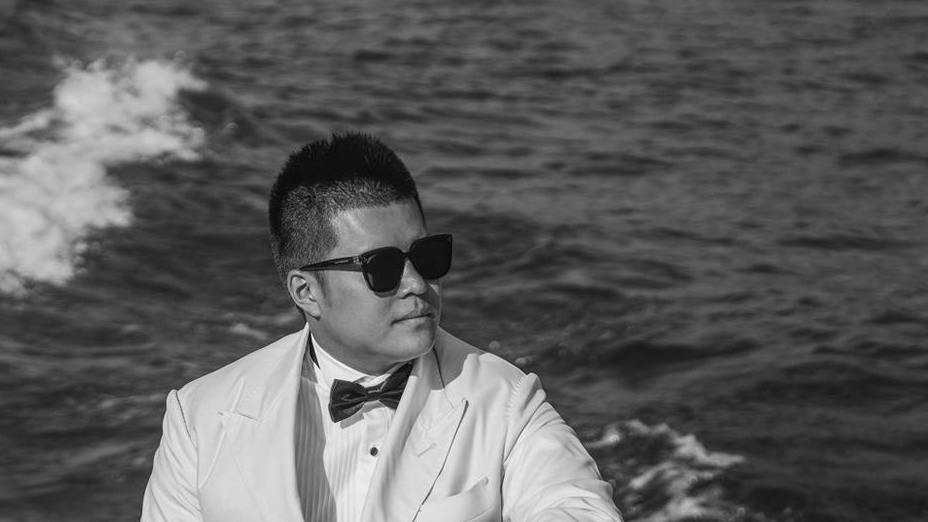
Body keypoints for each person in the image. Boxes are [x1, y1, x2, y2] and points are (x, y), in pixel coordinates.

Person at [141, 132, 619, 522]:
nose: (417, 284)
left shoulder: (506, 400)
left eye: (427, 256)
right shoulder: (199, 417)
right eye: (382, 267)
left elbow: (579, 507)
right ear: (306, 292)